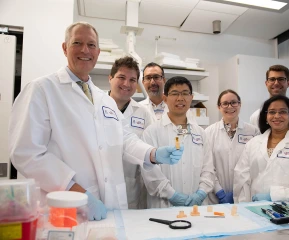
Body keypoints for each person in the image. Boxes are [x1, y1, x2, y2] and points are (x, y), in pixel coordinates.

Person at [8, 22, 184, 221]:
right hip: (66, 206)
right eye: (77, 43)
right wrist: (77, 192)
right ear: (65, 48)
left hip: (109, 207)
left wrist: (152, 153)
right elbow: (26, 153)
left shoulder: (104, 100)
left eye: (91, 45)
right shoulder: (42, 90)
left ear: (98, 52)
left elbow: (124, 139)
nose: (85, 50)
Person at [141, 76, 215, 208]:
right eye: (175, 93)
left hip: (197, 206)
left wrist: (201, 193)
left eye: (185, 93)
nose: (180, 98)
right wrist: (171, 195)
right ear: (165, 99)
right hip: (164, 206)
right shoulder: (151, 132)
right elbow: (149, 171)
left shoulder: (200, 133)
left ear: (191, 98)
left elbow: (208, 169)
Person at [233, 95, 289, 202]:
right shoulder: (253, 143)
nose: (277, 116)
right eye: (272, 112)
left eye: (283, 112)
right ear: (266, 116)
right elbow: (242, 177)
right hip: (255, 206)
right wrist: (244, 204)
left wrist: (275, 196)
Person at [108, 56, 154, 209]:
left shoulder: (143, 113)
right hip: (102, 188)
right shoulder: (95, 107)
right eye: (121, 77)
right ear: (110, 78)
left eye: (132, 80)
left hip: (131, 191)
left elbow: (148, 151)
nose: (126, 84)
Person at [205, 90, 259, 204]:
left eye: (234, 102)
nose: (230, 106)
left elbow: (255, 164)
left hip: (244, 194)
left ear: (240, 104)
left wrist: (239, 191)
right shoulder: (209, 132)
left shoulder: (253, 131)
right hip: (215, 196)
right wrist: (218, 191)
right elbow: (207, 165)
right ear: (219, 107)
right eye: (225, 103)